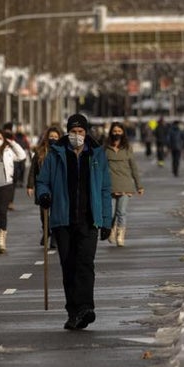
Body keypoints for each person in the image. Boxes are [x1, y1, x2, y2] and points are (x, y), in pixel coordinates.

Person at [34, 113, 113, 330]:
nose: (76, 136)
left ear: (86, 133)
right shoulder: (55, 155)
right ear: (68, 132)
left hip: (89, 220)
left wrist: (107, 220)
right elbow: (42, 181)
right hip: (63, 220)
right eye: (73, 132)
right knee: (69, 266)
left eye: (80, 132)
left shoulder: (96, 155)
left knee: (85, 264)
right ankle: (73, 311)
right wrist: (43, 195)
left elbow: (105, 189)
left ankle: (86, 308)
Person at [105, 121, 144, 247]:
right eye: (115, 131)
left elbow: (134, 168)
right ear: (111, 132)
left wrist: (139, 186)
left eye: (119, 131)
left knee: (121, 212)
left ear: (123, 133)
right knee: (110, 213)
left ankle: (120, 235)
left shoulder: (127, 148)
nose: (117, 134)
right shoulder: (105, 149)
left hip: (125, 185)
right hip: (109, 185)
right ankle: (111, 229)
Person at [27, 126, 63, 247]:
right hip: (43, 186)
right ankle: (46, 230)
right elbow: (33, 170)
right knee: (43, 213)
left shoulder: (63, 151)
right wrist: (30, 186)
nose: (53, 139)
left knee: (55, 213)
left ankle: (54, 236)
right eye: (51, 136)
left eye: (56, 137)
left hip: (58, 186)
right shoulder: (40, 151)